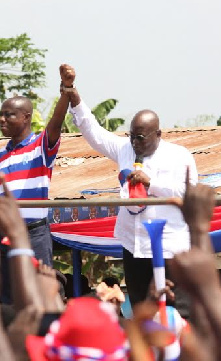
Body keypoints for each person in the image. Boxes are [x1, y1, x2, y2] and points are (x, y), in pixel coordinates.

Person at [63, 65, 197, 306]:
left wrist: (151, 182)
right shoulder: (126, 149)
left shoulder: (180, 155)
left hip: (168, 246)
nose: (134, 142)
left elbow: (190, 194)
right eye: (131, 135)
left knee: (175, 309)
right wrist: (74, 95)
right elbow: (94, 133)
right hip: (133, 244)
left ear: (158, 133)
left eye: (140, 137)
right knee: (140, 307)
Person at [0, 64, 73, 303]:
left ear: (26, 118)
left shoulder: (40, 147)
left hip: (33, 232)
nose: (2, 119)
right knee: (5, 298)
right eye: (1, 114)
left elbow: (55, 123)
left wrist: (66, 91)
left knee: (39, 294)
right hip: (3, 235)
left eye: (9, 115)